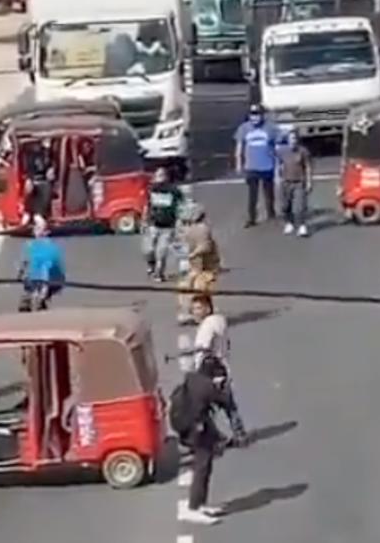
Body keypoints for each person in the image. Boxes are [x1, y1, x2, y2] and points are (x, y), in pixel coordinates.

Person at [174, 356, 238, 525]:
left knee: (205, 464)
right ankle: (193, 508)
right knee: (202, 467)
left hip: (192, 426)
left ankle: (200, 504)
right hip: (196, 431)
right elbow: (225, 401)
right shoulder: (208, 387)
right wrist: (222, 385)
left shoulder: (193, 378)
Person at [189, 294, 248, 444]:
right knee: (229, 405)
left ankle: (213, 438)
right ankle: (240, 434)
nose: (195, 312)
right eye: (193, 309)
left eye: (198, 308)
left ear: (208, 308)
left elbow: (204, 347)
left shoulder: (207, 325)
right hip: (223, 369)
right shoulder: (220, 320)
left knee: (201, 407)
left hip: (210, 372)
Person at [234, 104, 279, 228]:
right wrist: (238, 163)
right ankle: (251, 217)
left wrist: (279, 162)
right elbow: (239, 147)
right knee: (252, 194)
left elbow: (277, 146)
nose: (255, 117)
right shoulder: (244, 128)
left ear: (262, 115)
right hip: (251, 166)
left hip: (267, 165)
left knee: (269, 192)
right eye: (252, 114)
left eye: (257, 114)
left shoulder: (270, 128)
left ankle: (271, 213)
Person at [177, 204, 221, 325]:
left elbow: (205, 247)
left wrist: (193, 254)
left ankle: (202, 313)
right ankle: (187, 311)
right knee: (184, 286)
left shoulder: (203, 229)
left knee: (199, 289)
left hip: (207, 267)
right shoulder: (188, 229)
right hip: (195, 266)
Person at [143, 167, 184, 281]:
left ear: (166, 177)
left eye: (162, 175)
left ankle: (159, 273)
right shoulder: (152, 189)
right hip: (153, 224)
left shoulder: (174, 191)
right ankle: (151, 265)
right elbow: (147, 205)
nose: (160, 178)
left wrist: (180, 221)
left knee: (161, 251)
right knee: (149, 250)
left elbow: (181, 205)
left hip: (168, 226)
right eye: (158, 175)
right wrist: (144, 219)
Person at [18, 217, 66, 311]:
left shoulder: (30, 245)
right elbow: (58, 264)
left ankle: (33, 298)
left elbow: (24, 263)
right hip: (52, 279)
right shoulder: (53, 245)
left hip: (39, 278)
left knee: (31, 284)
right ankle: (40, 299)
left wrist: (20, 274)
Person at [276, 131, 313, 237]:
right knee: (285, 206)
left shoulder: (303, 151)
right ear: (288, 140)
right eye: (291, 139)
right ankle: (289, 223)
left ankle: (302, 226)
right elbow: (278, 165)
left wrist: (309, 182)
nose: (293, 141)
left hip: (299, 182)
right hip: (286, 182)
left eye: (295, 139)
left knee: (300, 206)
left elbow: (308, 167)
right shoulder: (282, 151)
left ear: (297, 140)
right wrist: (277, 178)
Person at [23, 138, 57, 224]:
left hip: (44, 181)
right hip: (35, 180)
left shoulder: (48, 154)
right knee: (32, 192)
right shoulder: (30, 156)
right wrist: (29, 179)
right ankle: (30, 213)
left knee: (46, 190)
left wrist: (51, 169)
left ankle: (38, 214)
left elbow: (50, 166)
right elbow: (29, 169)